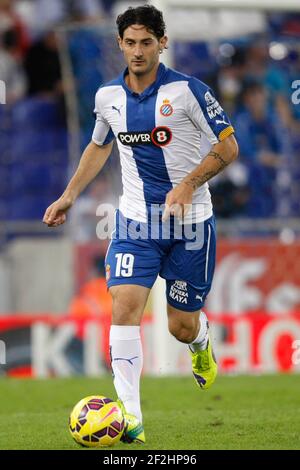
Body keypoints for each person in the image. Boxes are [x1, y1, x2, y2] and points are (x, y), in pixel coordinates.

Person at [43, 5, 239, 444]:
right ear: (119, 44)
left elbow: (229, 148)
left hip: (190, 224)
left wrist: (188, 183)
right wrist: (69, 195)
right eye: (129, 43)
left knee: (179, 325)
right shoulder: (107, 98)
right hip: (134, 221)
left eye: (146, 42)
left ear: (162, 42)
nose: (137, 51)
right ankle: (131, 417)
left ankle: (201, 340)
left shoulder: (189, 92)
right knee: (124, 305)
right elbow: (98, 147)